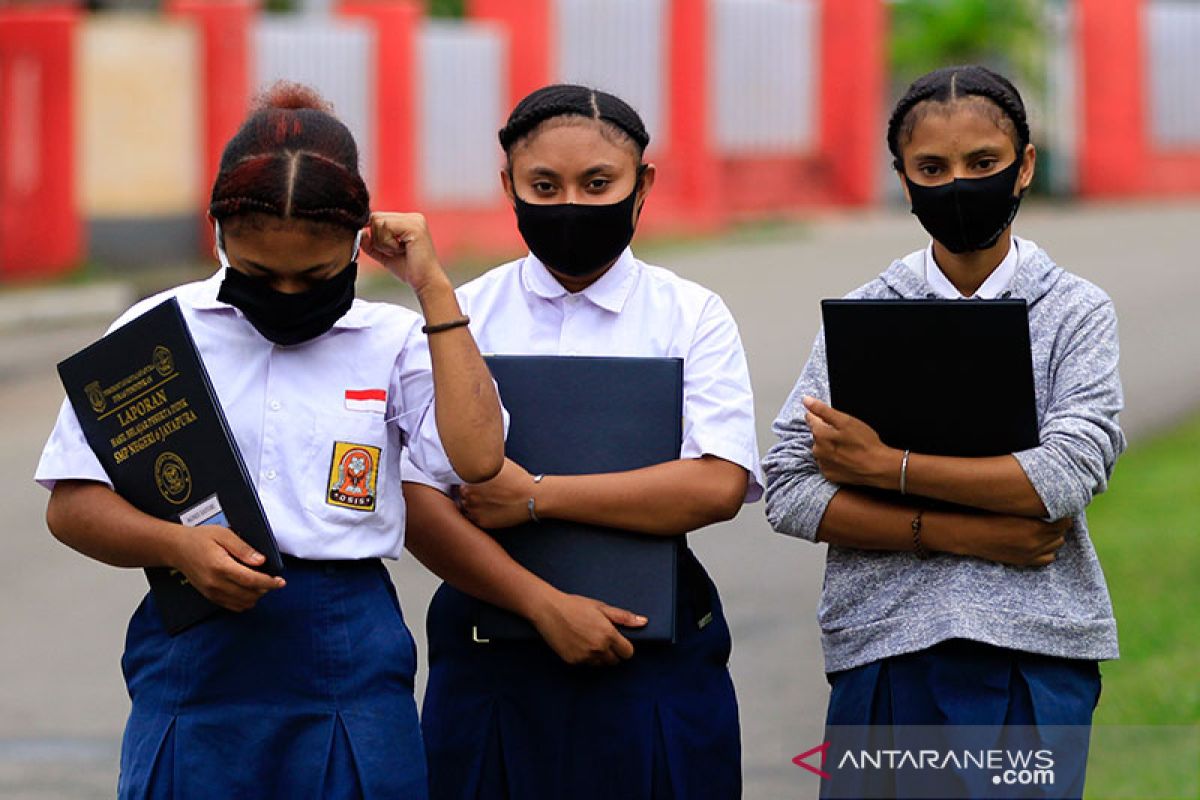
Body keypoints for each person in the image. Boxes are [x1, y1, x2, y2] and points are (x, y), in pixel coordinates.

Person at [35, 82, 504, 799]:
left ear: (358, 242)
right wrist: (176, 546)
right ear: (218, 233)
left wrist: (433, 287)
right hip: (195, 643)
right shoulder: (156, 334)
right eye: (258, 273)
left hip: (349, 650)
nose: (287, 293)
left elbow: (479, 458)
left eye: (315, 275)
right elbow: (70, 506)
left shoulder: (396, 341)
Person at [763, 65, 1125, 799]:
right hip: (884, 653)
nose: (957, 184)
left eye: (982, 163)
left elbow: (1058, 479)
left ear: (1024, 166)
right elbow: (788, 487)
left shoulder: (1076, 311)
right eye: (932, 167)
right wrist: (964, 533)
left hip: (1034, 654)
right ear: (903, 180)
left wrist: (881, 464)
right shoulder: (867, 313)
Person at [401, 84, 763, 800]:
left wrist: (533, 497)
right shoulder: (461, 315)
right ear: (509, 186)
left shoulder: (690, 315)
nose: (571, 203)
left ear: (643, 185)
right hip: (489, 653)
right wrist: (542, 604)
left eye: (598, 183)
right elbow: (419, 499)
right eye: (545, 184)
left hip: (653, 652)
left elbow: (718, 484)